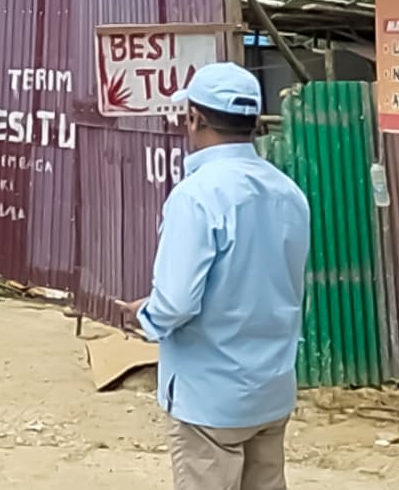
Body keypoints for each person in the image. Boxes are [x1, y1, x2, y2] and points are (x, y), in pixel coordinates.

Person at [117, 62, 310, 490]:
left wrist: (142, 317)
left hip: (210, 399)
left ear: (195, 117)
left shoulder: (197, 196)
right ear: (256, 123)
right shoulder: (288, 193)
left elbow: (177, 303)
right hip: (271, 389)